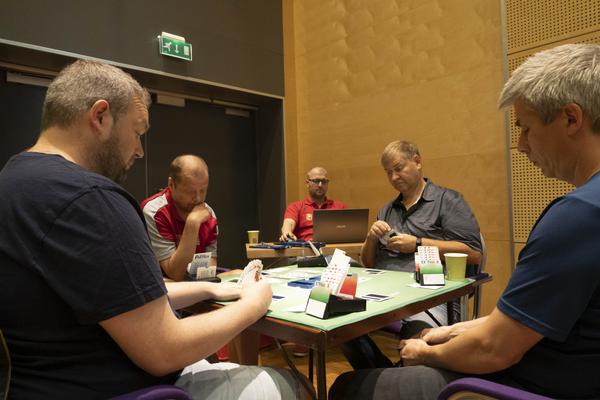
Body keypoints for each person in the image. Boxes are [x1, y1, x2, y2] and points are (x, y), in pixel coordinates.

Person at [0, 60, 306, 399]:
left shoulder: (13, 180)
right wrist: (254, 304)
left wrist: (210, 289)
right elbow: (165, 349)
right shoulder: (92, 199)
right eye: (137, 133)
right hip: (132, 387)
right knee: (290, 385)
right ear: (100, 117)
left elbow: (118, 297)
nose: (139, 150)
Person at [330, 43, 600, 399]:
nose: (521, 145)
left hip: (521, 383)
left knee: (347, 388)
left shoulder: (576, 216)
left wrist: (426, 352)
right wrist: (450, 334)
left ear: (571, 119)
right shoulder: (386, 209)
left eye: (525, 128)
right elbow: (520, 322)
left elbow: (494, 348)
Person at [341, 140, 482, 370]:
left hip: (430, 296)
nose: (394, 177)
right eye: (388, 172)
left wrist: (417, 244)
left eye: (398, 168)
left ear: (417, 161)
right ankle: (382, 375)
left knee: (418, 343)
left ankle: (391, 377)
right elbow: (369, 263)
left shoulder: (448, 201)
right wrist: (371, 238)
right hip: (385, 291)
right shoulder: (387, 210)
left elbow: (473, 253)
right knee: (340, 323)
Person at [141, 155, 218, 281]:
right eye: (190, 191)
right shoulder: (154, 212)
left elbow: (209, 269)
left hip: (196, 286)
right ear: (171, 184)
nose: (198, 198)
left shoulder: (208, 214)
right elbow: (175, 273)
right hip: (159, 288)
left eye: (203, 191)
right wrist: (192, 224)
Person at [279, 166, 346, 241]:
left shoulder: (339, 206)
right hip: (307, 247)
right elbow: (289, 222)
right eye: (316, 181)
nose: (320, 185)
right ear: (307, 183)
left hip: (334, 247)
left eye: (324, 181)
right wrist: (287, 232)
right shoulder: (295, 207)